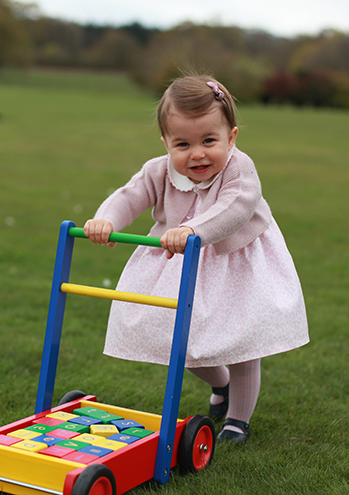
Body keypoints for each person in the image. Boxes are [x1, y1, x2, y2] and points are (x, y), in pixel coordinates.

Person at [83, 74, 309, 443]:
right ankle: (222, 384)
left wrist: (193, 230)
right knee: (180, 340)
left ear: (231, 137)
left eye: (209, 140)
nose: (197, 153)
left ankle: (238, 419)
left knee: (241, 342)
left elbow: (235, 206)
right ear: (166, 143)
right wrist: (106, 219)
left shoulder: (239, 168)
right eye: (183, 144)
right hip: (182, 262)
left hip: (236, 262)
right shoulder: (159, 170)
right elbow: (130, 194)